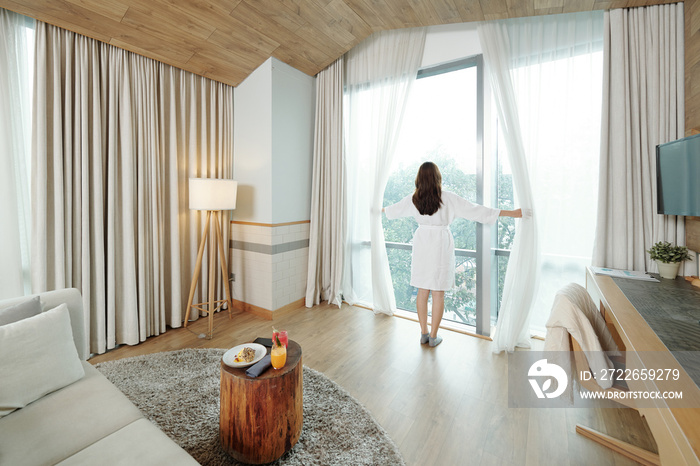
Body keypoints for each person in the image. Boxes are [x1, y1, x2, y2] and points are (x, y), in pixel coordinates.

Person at [383, 161, 522, 347]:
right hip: (440, 243)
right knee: (438, 292)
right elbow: (476, 210)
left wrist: (374, 208)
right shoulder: (447, 198)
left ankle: (423, 333)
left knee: (422, 290)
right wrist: (511, 213)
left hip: (422, 243)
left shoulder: (413, 199)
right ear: (437, 177)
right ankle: (433, 336)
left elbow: (391, 210)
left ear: (419, 179)